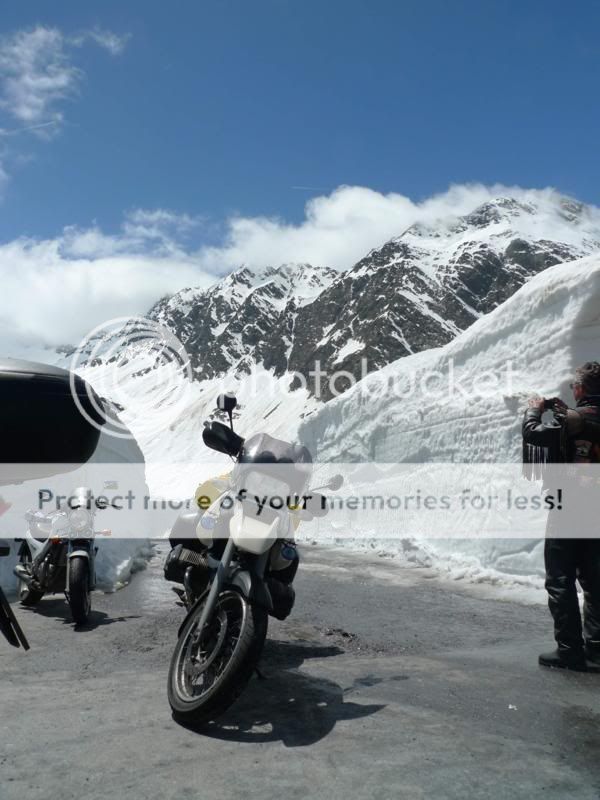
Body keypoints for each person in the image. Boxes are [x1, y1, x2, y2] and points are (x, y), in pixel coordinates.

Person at [523, 362, 600, 671]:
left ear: (579, 388)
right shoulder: (578, 418)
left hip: (568, 508)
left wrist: (533, 409)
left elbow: (533, 434)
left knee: (560, 579)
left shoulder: (570, 420)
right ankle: (597, 649)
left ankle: (569, 650)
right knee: (595, 581)